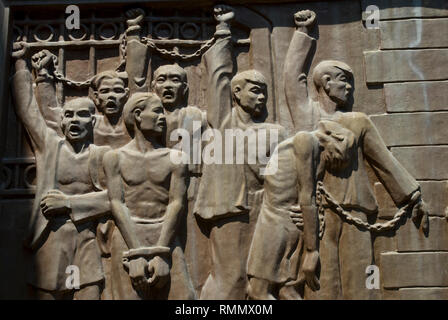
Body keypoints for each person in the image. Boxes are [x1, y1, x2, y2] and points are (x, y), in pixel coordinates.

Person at [283, 11, 430, 299]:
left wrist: (413, 196)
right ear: (325, 83)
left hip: (356, 210)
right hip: (320, 212)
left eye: (351, 82)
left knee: (361, 279)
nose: (349, 87)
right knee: (322, 284)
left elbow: (384, 162)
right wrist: (303, 32)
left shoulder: (359, 121)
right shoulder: (307, 116)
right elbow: (292, 79)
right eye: (343, 81)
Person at [193, 5, 286, 299]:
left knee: (261, 280)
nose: (261, 96)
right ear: (236, 94)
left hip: (267, 209)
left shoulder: (275, 132)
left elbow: (286, 174)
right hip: (230, 208)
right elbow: (219, 76)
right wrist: (223, 31)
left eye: (264, 92)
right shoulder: (223, 123)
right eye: (254, 90)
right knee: (231, 277)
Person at [11, 43, 111, 299]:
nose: (74, 121)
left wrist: (68, 202)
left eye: (81, 116)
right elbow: (27, 112)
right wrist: (21, 64)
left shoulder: (103, 156)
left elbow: (115, 198)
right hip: (51, 239)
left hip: (86, 242)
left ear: (93, 121)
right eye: (68, 116)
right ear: (61, 121)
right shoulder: (49, 147)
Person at [247, 120, 356, 300]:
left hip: (278, 221)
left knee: (258, 291)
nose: (334, 161)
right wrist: (312, 250)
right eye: (337, 153)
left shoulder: (308, 145)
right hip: (278, 222)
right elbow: (307, 195)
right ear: (333, 139)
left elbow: (307, 195)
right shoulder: (305, 140)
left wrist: (312, 251)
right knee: (287, 291)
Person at [103, 92, 196, 299]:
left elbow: (176, 203)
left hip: (165, 235)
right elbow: (117, 204)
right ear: (137, 115)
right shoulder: (114, 158)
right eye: (156, 111)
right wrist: (135, 253)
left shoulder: (176, 159)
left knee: (185, 299)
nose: (163, 117)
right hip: (128, 237)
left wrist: (162, 252)